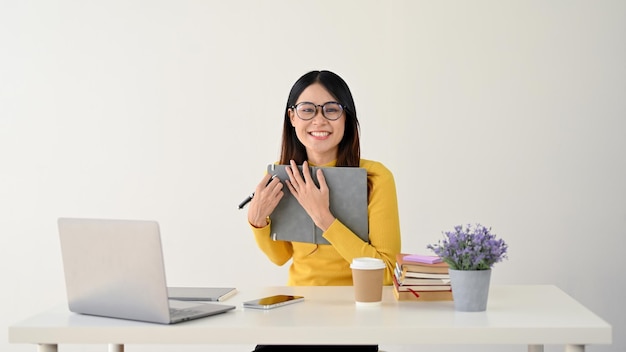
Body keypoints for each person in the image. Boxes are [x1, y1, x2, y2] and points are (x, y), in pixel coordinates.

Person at [247, 70, 401, 352]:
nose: (319, 120)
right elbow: (280, 257)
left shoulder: (376, 177)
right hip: (294, 312)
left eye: (331, 109)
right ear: (292, 117)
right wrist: (257, 222)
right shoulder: (284, 174)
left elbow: (387, 273)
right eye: (307, 110)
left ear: (347, 118)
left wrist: (324, 218)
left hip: (355, 316)